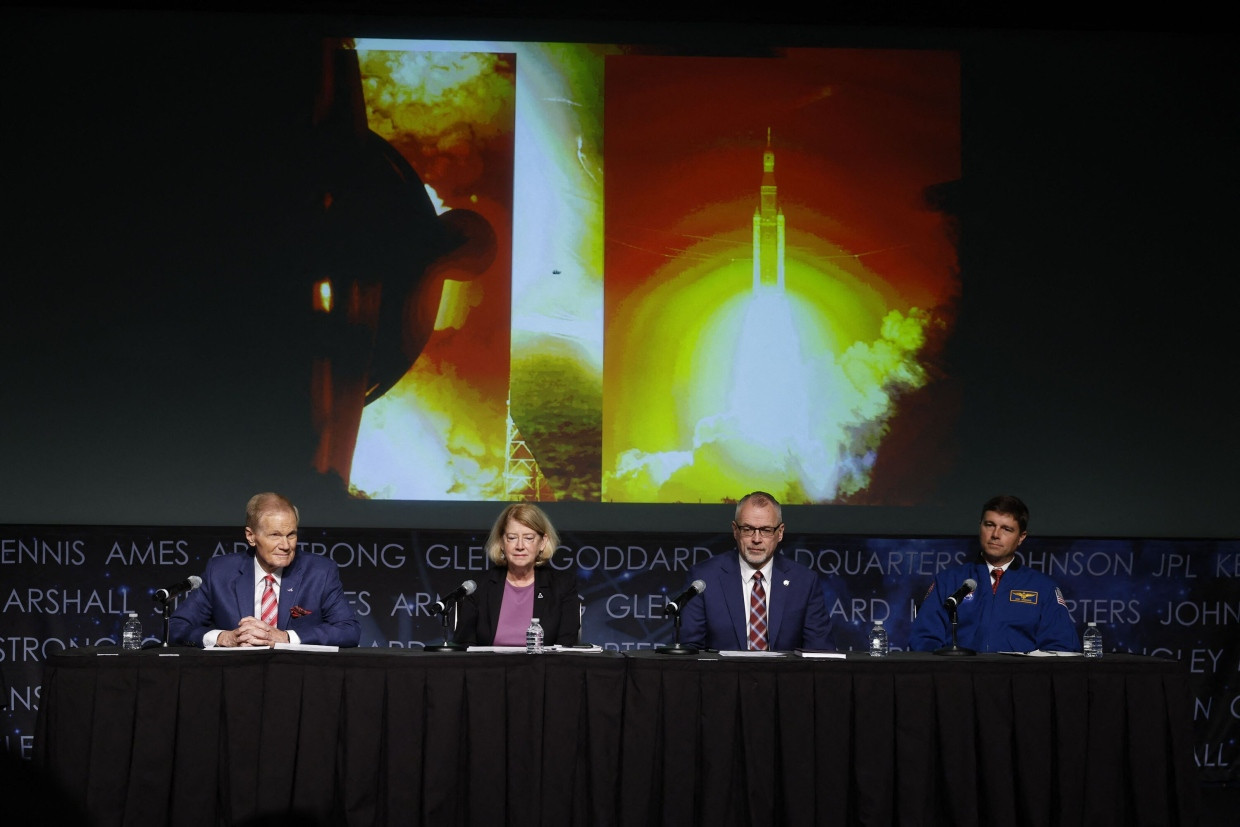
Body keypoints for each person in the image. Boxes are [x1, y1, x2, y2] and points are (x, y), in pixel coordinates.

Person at [169, 492, 360, 647]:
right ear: (251, 536)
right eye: (275, 535)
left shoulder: (320, 572)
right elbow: (176, 627)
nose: (285, 545)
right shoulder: (220, 572)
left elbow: (348, 630)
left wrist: (286, 637)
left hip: (298, 679)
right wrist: (223, 638)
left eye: (291, 535)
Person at [909, 494, 1078, 653]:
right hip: (958, 678)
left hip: (1021, 680)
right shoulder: (949, 581)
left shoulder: (1043, 587)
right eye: (989, 525)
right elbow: (923, 640)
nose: (996, 535)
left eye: (1007, 529)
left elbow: (1061, 645)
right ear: (980, 526)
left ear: (1021, 537)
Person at [679, 491, 833, 651]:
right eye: (747, 529)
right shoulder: (704, 578)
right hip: (722, 676)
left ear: (780, 533)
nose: (757, 539)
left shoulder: (804, 582)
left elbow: (820, 652)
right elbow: (688, 650)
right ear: (735, 530)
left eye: (766, 530)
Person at [453, 503, 581, 646]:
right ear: (501, 541)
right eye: (512, 537)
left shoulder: (562, 585)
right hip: (488, 667)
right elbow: (464, 643)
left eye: (528, 538)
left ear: (542, 542)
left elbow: (566, 645)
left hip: (544, 667)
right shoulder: (480, 586)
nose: (520, 546)